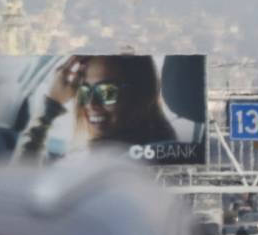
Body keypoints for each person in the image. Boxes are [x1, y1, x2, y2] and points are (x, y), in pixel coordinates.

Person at [16, 55, 176, 164]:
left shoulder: (135, 164)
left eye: (107, 91)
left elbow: (18, 193)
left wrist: (50, 108)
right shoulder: (161, 153)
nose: (91, 104)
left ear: (141, 94)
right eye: (84, 91)